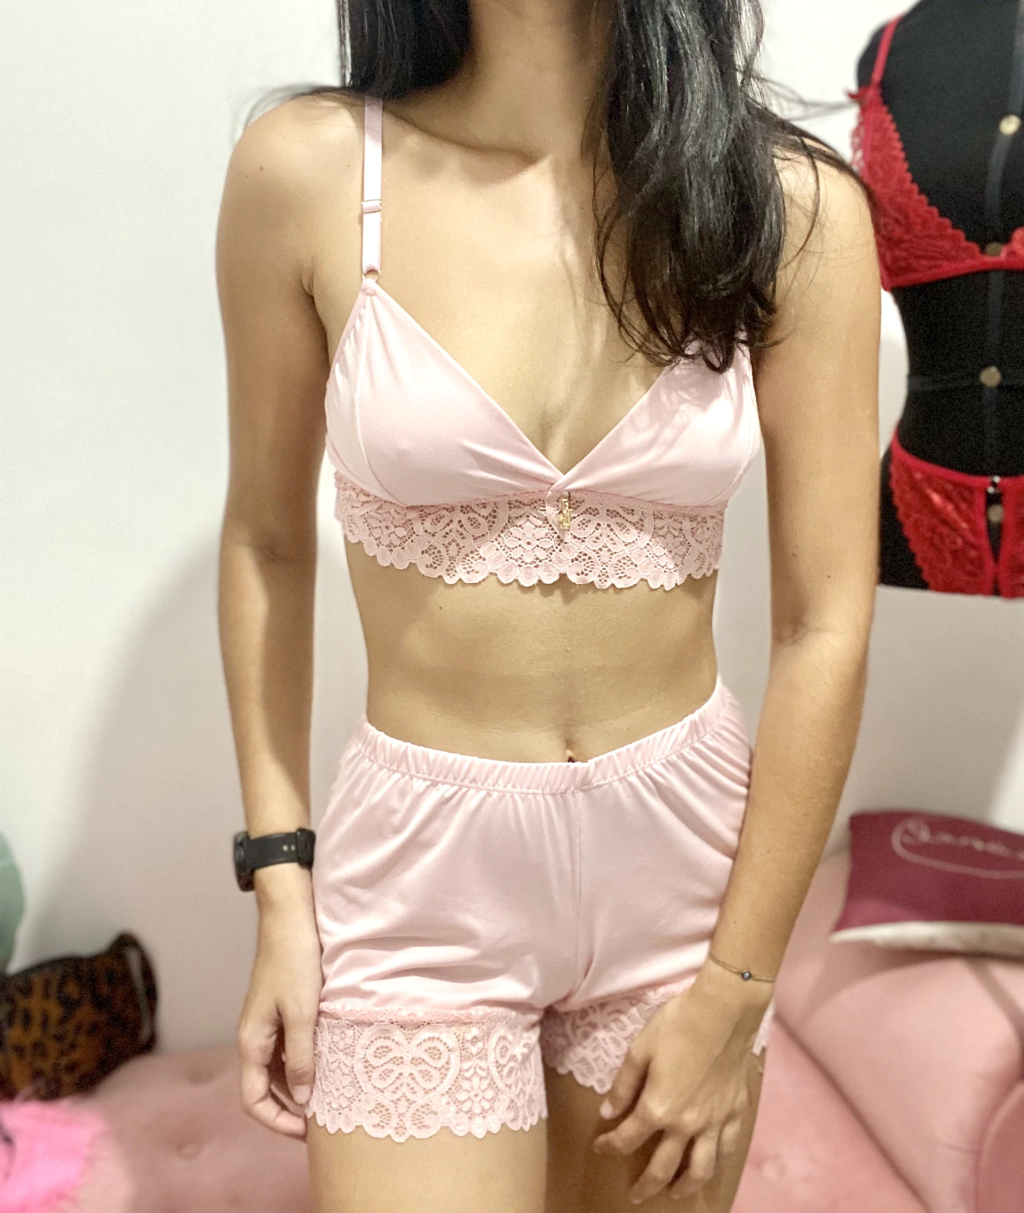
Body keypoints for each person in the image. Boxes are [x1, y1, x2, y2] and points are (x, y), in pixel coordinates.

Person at [215, 1, 880, 1210]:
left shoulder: (790, 207)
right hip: (423, 882)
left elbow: (823, 622)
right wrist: (279, 881)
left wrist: (736, 989)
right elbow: (265, 543)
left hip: (685, 875)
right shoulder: (310, 174)